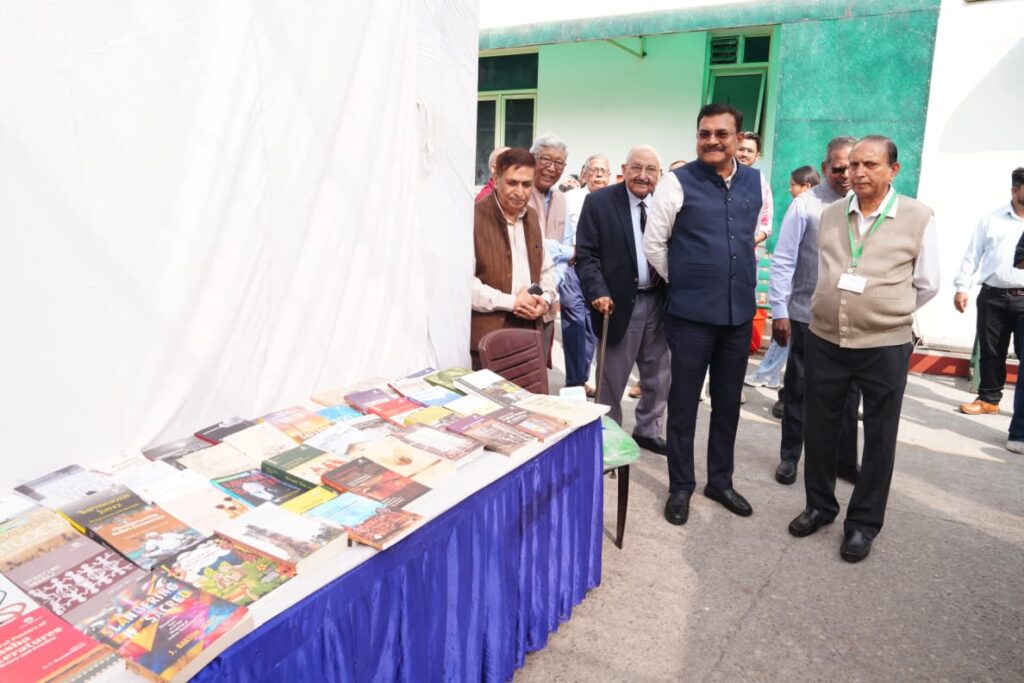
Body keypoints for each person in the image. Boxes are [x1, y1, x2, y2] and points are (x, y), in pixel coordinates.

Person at [787, 135, 940, 563]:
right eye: (852, 165)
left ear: (893, 170)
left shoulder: (918, 216)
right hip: (825, 338)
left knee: (879, 435)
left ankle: (863, 524)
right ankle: (819, 506)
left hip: (884, 346)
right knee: (819, 427)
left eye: (870, 164)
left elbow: (928, 284)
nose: (857, 173)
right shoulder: (831, 213)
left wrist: (885, 311)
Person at [644, 104, 772, 525]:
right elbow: (654, 244)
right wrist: (685, 280)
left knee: (727, 404)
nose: (712, 141)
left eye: (721, 134)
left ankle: (720, 481)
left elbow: (756, 232)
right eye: (704, 134)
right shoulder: (676, 182)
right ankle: (681, 485)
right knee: (683, 404)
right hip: (691, 316)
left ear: (739, 139)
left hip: (738, 316)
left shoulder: (757, 180)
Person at [769, 138, 862, 487]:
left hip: (852, 318)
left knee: (850, 394)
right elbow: (784, 260)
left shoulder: (868, 205)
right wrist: (779, 310)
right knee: (799, 389)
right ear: (824, 168)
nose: (846, 174)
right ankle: (790, 456)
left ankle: (844, 461)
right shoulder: (805, 205)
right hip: (807, 315)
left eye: (853, 166)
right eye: (838, 168)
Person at [576, 145, 670, 455]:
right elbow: (586, 255)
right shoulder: (599, 202)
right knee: (611, 378)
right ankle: (608, 435)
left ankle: (648, 430)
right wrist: (597, 292)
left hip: (659, 301)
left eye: (650, 170)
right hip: (616, 304)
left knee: (659, 375)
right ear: (624, 170)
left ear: (659, 174)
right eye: (636, 168)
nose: (643, 175)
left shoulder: (667, 204)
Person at [470, 148, 557, 368]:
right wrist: (512, 302)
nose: (520, 191)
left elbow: (546, 270)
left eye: (527, 185)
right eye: (512, 183)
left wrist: (545, 300)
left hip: (529, 334)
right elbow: (465, 285)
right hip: (488, 338)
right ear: (496, 178)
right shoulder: (474, 217)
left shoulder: (532, 217)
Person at [953, 167, 1024, 432]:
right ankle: (989, 399)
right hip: (993, 295)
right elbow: (972, 255)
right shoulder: (992, 219)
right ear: (1014, 190)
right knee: (991, 350)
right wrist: (962, 287)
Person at [746, 166, 821, 391]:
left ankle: (766, 374)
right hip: (793, 292)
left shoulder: (806, 207)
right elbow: (785, 257)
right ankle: (769, 374)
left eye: (793, 185)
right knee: (786, 340)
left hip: (799, 294)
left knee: (786, 339)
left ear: (806, 186)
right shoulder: (800, 206)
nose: (790, 189)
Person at [560, 155, 611, 391]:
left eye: (603, 171)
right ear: (584, 174)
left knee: (591, 327)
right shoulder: (569, 199)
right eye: (594, 170)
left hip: (599, 272)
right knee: (574, 322)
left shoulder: (614, 200)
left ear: (609, 175)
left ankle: (581, 377)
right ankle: (575, 381)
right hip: (573, 268)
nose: (599, 174)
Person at [527, 134, 570, 360]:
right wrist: (562, 250)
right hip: (519, 300)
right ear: (532, 159)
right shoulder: (521, 192)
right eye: (545, 160)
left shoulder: (561, 199)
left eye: (559, 163)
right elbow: (533, 247)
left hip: (548, 302)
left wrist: (549, 291)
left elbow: (568, 253)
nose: (552, 168)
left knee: (539, 367)